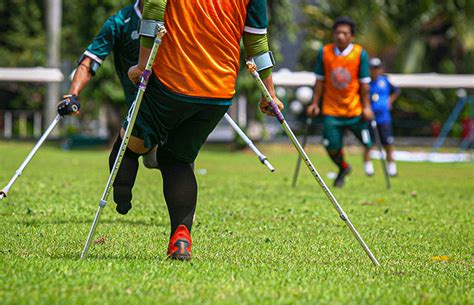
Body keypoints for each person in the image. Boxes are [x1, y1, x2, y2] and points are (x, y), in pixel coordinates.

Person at [124, 0, 283, 260]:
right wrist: (270, 94)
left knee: (132, 143)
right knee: (178, 158)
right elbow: (257, 42)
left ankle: (122, 194)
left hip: (171, 83)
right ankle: (181, 237)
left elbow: (153, 9)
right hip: (219, 93)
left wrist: (142, 66)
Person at [56, 0, 162, 216]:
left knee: (175, 160)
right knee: (123, 155)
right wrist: (72, 94)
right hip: (140, 107)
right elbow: (90, 60)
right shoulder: (119, 22)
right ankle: (124, 198)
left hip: (172, 101)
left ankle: (182, 222)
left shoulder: (177, 15)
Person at [306, 16, 373, 187]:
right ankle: (343, 167)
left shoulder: (359, 53)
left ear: (352, 36)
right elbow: (319, 80)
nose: (340, 36)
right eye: (337, 32)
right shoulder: (325, 52)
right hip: (331, 110)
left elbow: (364, 83)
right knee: (331, 146)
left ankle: (369, 167)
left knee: (368, 142)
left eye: (344, 33)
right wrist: (314, 104)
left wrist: (367, 107)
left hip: (354, 109)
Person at [363, 57, 400, 177]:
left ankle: (392, 168)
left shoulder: (385, 81)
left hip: (384, 119)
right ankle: (368, 168)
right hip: (369, 119)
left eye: (377, 68)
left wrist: (390, 101)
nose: (374, 71)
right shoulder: (365, 83)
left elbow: (396, 91)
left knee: (388, 144)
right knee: (368, 144)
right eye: (372, 68)